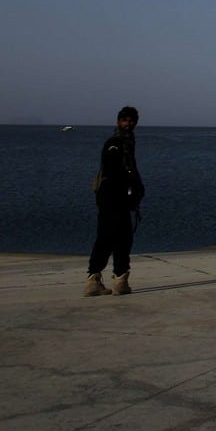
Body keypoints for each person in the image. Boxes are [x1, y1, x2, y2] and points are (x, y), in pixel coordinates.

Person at [85, 106, 144, 296]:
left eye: (132, 120)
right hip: (112, 199)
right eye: (125, 120)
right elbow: (116, 172)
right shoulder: (115, 143)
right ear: (119, 121)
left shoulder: (126, 142)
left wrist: (136, 191)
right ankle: (104, 279)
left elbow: (130, 171)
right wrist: (130, 191)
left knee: (116, 238)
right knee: (113, 238)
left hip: (116, 199)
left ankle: (113, 279)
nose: (129, 124)